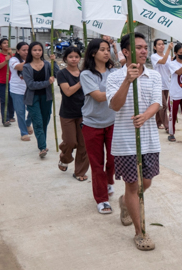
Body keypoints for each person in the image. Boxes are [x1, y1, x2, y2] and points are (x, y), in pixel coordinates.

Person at [107, 32, 162, 251]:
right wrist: (127, 81)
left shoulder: (154, 76)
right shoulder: (114, 77)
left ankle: (124, 202)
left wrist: (146, 115)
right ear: (126, 52)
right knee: (133, 185)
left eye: (145, 47)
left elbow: (157, 102)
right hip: (125, 141)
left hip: (149, 140)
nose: (143, 51)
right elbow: (115, 105)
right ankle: (140, 232)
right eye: (138, 47)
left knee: (145, 183)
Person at [80, 38, 116, 214]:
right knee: (97, 164)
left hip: (112, 122)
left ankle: (109, 181)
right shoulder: (86, 75)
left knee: (113, 158)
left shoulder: (114, 72)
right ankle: (102, 199)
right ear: (93, 53)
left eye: (108, 49)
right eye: (102, 49)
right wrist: (121, 88)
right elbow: (99, 96)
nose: (106, 52)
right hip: (92, 124)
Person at [56, 46, 89, 182]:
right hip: (68, 113)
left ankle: (79, 172)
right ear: (65, 58)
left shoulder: (85, 73)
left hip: (84, 113)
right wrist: (82, 83)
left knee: (83, 144)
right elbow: (68, 91)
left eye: (76, 57)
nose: (74, 59)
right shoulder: (62, 74)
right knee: (70, 141)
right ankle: (65, 157)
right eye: (71, 57)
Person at [23, 42, 58, 158]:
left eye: (39, 50)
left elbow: (57, 74)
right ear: (30, 52)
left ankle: (42, 142)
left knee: (44, 121)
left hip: (47, 97)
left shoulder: (48, 65)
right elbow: (31, 85)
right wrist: (47, 82)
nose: (37, 52)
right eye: (35, 50)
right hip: (32, 98)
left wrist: (54, 62)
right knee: (37, 122)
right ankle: (42, 147)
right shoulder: (26, 67)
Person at [8, 42, 34, 141]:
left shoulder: (33, 60)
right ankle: (23, 132)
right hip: (17, 89)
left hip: (30, 89)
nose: (26, 52)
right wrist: (30, 60)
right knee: (20, 111)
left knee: (33, 110)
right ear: (18, 51)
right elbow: (19, 67)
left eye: (28, 50)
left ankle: (28, 124)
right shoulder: (13, 59)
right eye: (24, 50)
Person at [150, 38, 173, 131]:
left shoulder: (168, 56)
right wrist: (168, 50)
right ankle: (167, 126)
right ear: (155, 47)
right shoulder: (154, 56)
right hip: (157, 83)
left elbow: (169, 68)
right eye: (159, 44)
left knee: (160, 105)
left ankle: (158, 122)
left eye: (163, 44)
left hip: (167, 83)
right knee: (163, 105)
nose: (161, 46)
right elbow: (163, 61)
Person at [0, 38, 15, 127]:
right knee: (4, 100)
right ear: (0, 46)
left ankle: (11, 115)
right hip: (1, 81)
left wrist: (10, 56)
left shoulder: (13, 56)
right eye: (4, 43)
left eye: (7, 43)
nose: (6, 44)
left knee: (11, 99)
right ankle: (5, 119)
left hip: (12, 81)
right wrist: (5, 61)